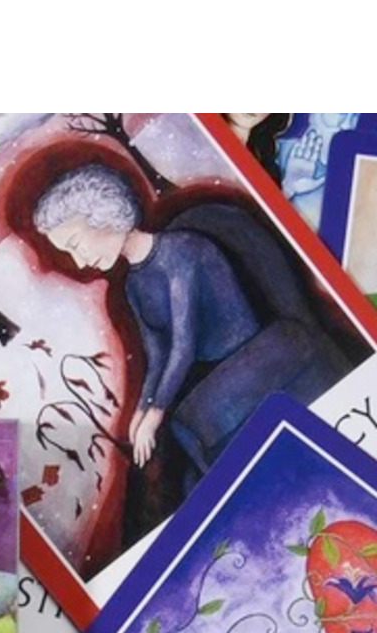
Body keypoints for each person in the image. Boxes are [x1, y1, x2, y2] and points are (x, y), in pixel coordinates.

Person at [29, 159, 353, 509]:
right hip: (224, 374)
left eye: (76, 244)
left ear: (102, 214)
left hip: (258, 352)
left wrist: (156, 414)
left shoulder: (182, 251)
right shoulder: (134, 284)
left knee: (187, 427)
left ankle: (258, 500)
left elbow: (184, 345)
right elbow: (157, 355)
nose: (80, 261)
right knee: (186, 462)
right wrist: (140, 413)